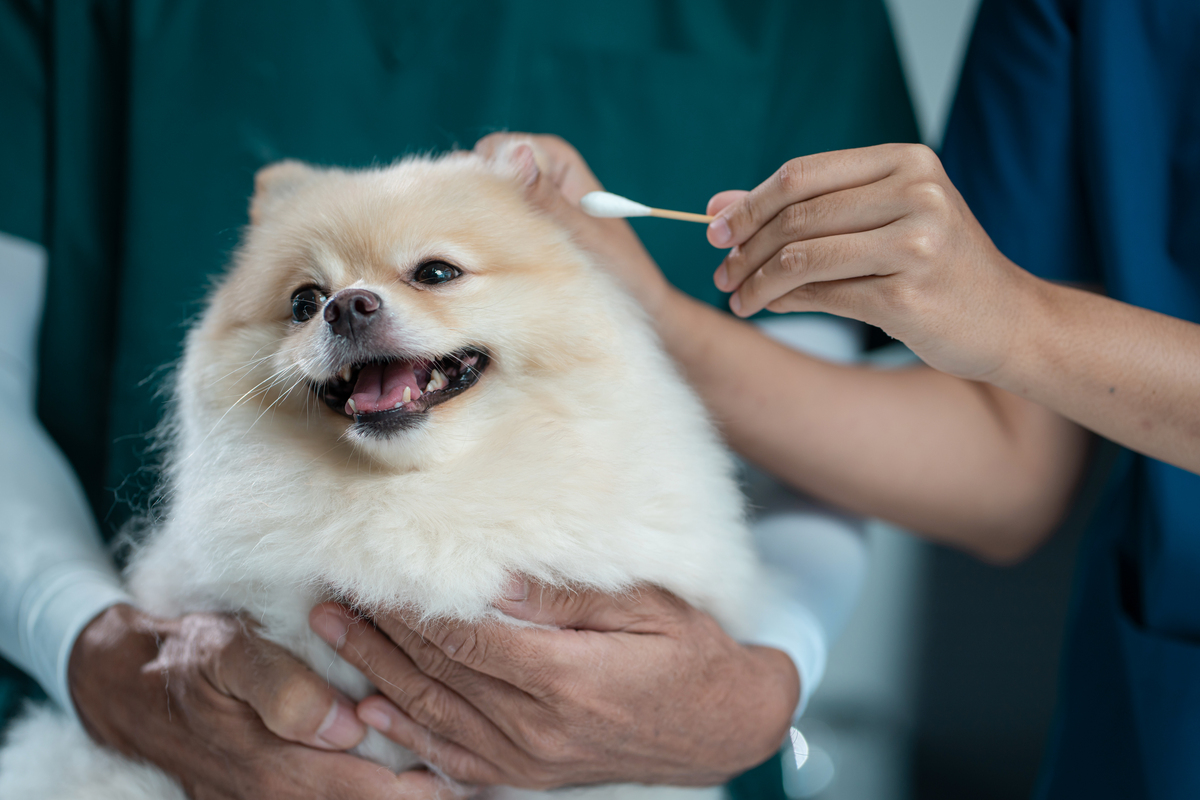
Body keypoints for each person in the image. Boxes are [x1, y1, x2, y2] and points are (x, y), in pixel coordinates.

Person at [0, 1, 919, 797]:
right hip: (164, 724)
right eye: (307, 301)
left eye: (434, 272)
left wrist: (769, 675)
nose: (352, 307)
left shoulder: (806, 22)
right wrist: (93, 647)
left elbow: (823, 441)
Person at [339, 0, 1200, 796]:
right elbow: (1008, 457)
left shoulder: (801, 34)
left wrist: (1019, 321)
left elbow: (1004, 455)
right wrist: (651, 314)